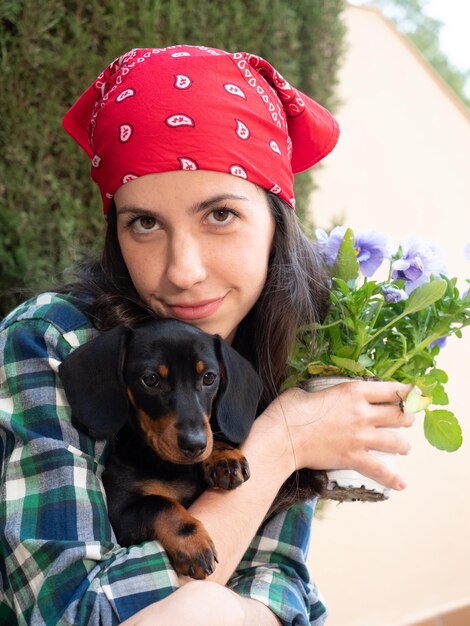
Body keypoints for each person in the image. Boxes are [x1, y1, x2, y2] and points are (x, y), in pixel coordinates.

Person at [0, 45, 414, 626]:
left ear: (277, 222)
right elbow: (70, 613)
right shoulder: (51, 339)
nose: (183, 271)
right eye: (144, 222)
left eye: (219, 214)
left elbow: (283, 583)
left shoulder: (274, 357)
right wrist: (281, 443)